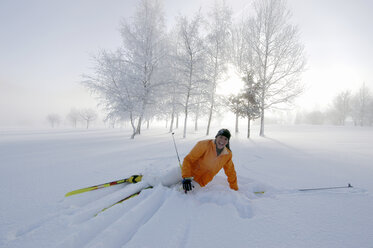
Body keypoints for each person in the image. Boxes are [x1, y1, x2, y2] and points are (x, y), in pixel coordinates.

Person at [181, 128, 238, 193]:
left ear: (227, 142)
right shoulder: (204, 144)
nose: (222, 140)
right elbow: (188, 159)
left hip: (199, 181)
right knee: (166, 181)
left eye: (225, 139)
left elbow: (230, 172)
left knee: (182, 193)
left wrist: (235, 189)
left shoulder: (227, 155)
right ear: (216, 137)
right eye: (221, 137)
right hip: (185, 172)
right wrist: (186, 177)